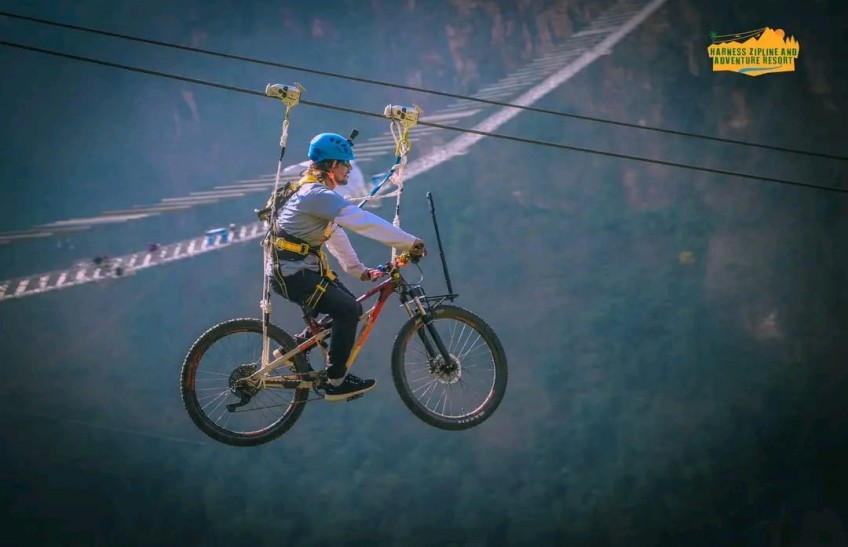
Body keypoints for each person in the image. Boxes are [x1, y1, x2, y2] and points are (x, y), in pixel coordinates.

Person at [267, 132, 426, 401]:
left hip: (299, 269)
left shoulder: (317, 193)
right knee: (347, 309)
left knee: (351, 306)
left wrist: (358, 270)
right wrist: (410, 242)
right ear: (331, 165)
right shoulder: (316, 194)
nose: (349, 168)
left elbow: (334, 234)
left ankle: (294, 349)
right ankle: (336, 382)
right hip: (292, 274)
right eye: (345, 163)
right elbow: (362, 221)